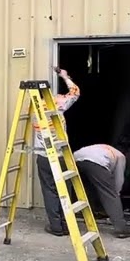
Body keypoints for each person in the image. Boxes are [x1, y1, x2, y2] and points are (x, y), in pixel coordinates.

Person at [34, 67, 81, 236]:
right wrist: (65, 76)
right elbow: (75, 92)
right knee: (64, 190)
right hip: (61, 155)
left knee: (50, 190)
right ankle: (67, 224)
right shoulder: (57, 103)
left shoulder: (33, 109)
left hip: (43, 156)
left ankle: (56, 226)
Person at [73, 143, 130, 238]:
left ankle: (90, 213)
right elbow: (119, 180)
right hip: (96, 162)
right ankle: (121, 228)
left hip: (75, 159)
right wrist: (116, 194)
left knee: (87, 188)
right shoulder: (121, 156)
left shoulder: (105, 148)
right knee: (110, 194)